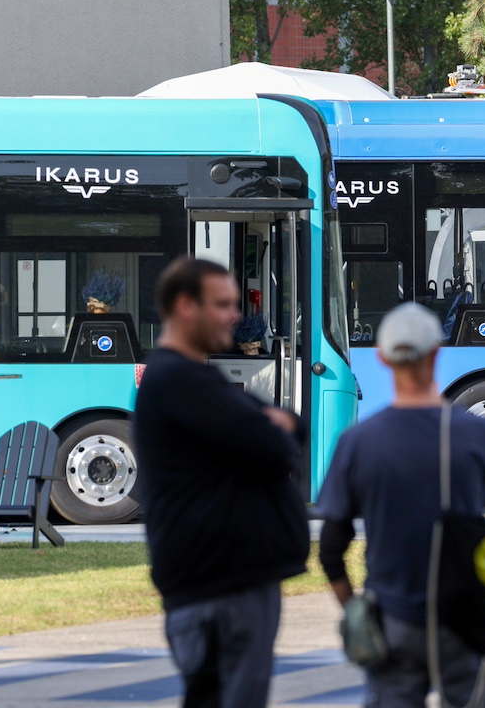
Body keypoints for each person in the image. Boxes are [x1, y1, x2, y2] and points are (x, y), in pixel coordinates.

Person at [132, 256, 309, 708]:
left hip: (222, 581)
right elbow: (276, 448)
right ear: (186, 306)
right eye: (223, 304)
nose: (235, 315)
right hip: (222, 586)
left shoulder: (193, 378)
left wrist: (272, 427)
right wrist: (270, 427)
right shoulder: (180, 379)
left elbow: (288, 429)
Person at [317, 302, 485, 708]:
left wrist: (354, 609)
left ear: (382, 357)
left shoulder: (358, 442)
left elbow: (331, 547)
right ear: (437, 352)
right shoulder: (477, 434)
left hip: (393, 616)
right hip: (465, 615)